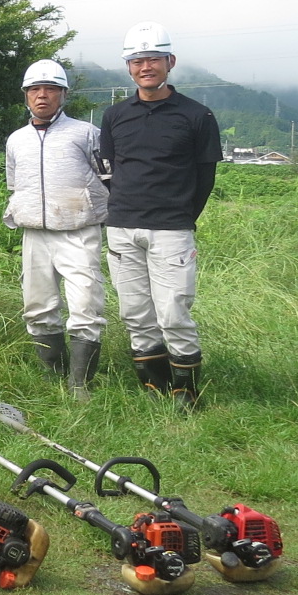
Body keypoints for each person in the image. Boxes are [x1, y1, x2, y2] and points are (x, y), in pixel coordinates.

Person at [100, 22, 221, 407]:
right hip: (121, 227)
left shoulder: (197, 115)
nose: (144, 66)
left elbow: (205, 177)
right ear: (129, 67)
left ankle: (186, 391)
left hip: (171, 229)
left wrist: (181, 214)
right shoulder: (115, 115)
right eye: (136, 60)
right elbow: (109, 167)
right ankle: (153, 386)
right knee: (135, 312)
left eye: (152, 58)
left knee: (173, 312)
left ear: (170, 61)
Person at [3, 60, 109, 397]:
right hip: (34, 232)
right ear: (26, 96)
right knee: (38, 307)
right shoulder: (16, 140)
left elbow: (109, 177)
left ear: (63, 94)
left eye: (50, 89)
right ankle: (54, 377)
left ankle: (80, 385)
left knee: (85, 305)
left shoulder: (86, 133)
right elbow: (14, 185)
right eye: (35, 89)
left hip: (79, 230)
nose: (42, 95)